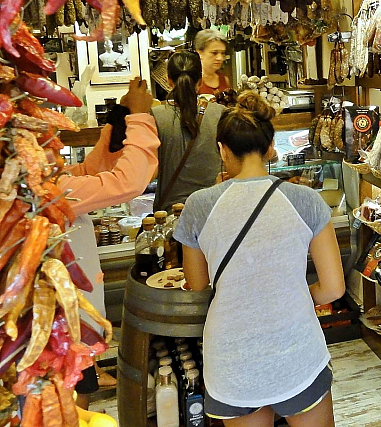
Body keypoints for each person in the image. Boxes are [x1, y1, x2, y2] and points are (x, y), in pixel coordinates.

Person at [176, 92, 345, 427]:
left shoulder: (199, 205)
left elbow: (196, 284)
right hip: (297, 349)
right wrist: (295, 297)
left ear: (222, 150)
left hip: (232, 359)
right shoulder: (305, 200)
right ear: (270, 148)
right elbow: (333, 288)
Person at [59, 77, 159, 407]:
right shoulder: (42, 190)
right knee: (72, 407)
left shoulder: (46, 183)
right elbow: (128, 183)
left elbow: (89, 172)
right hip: (64, 326)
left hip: (74, 321)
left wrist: (118, 123)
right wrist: (140, 117)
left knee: (80, 399)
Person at [152, 51, 226, 212]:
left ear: (169, 81)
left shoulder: (155, 116)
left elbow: (149, 171)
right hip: (213, 208)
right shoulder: (220, 113)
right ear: (200, 81)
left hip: (170, 213)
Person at [195, 29, 231, 96]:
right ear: (200, 53)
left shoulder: (224, 80)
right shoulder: (193, 81)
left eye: (222, 53)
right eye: (214, 53)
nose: (220, 58)